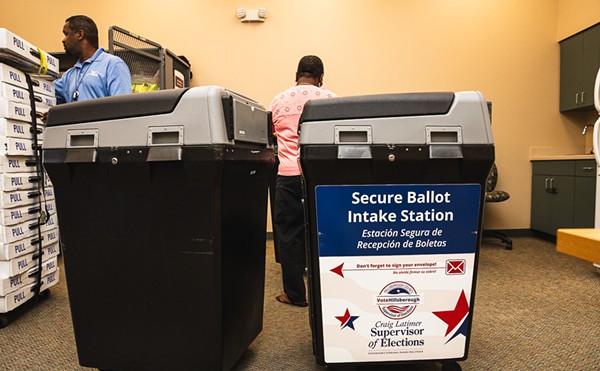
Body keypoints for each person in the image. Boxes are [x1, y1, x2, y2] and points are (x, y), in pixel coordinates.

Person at [270, 55, 337, 307]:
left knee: (289, 235)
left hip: (288, 176)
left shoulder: (278, 100)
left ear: (296, 75)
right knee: (324, 233)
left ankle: (296, 295)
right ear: (321, 78)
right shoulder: (331, 100)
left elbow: (274, 137)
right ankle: (328, 292)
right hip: (320, 178)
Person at [54, 15, 131, 104]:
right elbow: (45, 92)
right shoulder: (69, 75)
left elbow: (122, 106)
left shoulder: (112, 64)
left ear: (80, 34)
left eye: (66, 34)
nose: (63, 40)